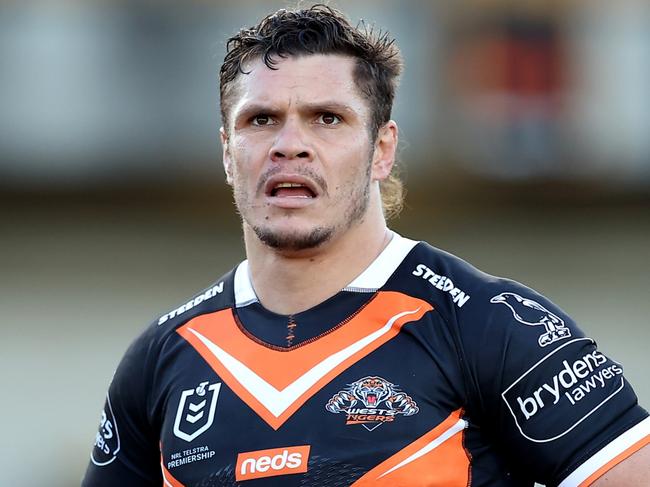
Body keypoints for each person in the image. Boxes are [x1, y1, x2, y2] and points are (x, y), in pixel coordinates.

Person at [82, 5, 649, 486]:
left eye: (327, 118)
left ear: (382, 149)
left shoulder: (486, 325)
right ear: (228, 154)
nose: (290, 145)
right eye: (261, 119)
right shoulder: (161, 359)